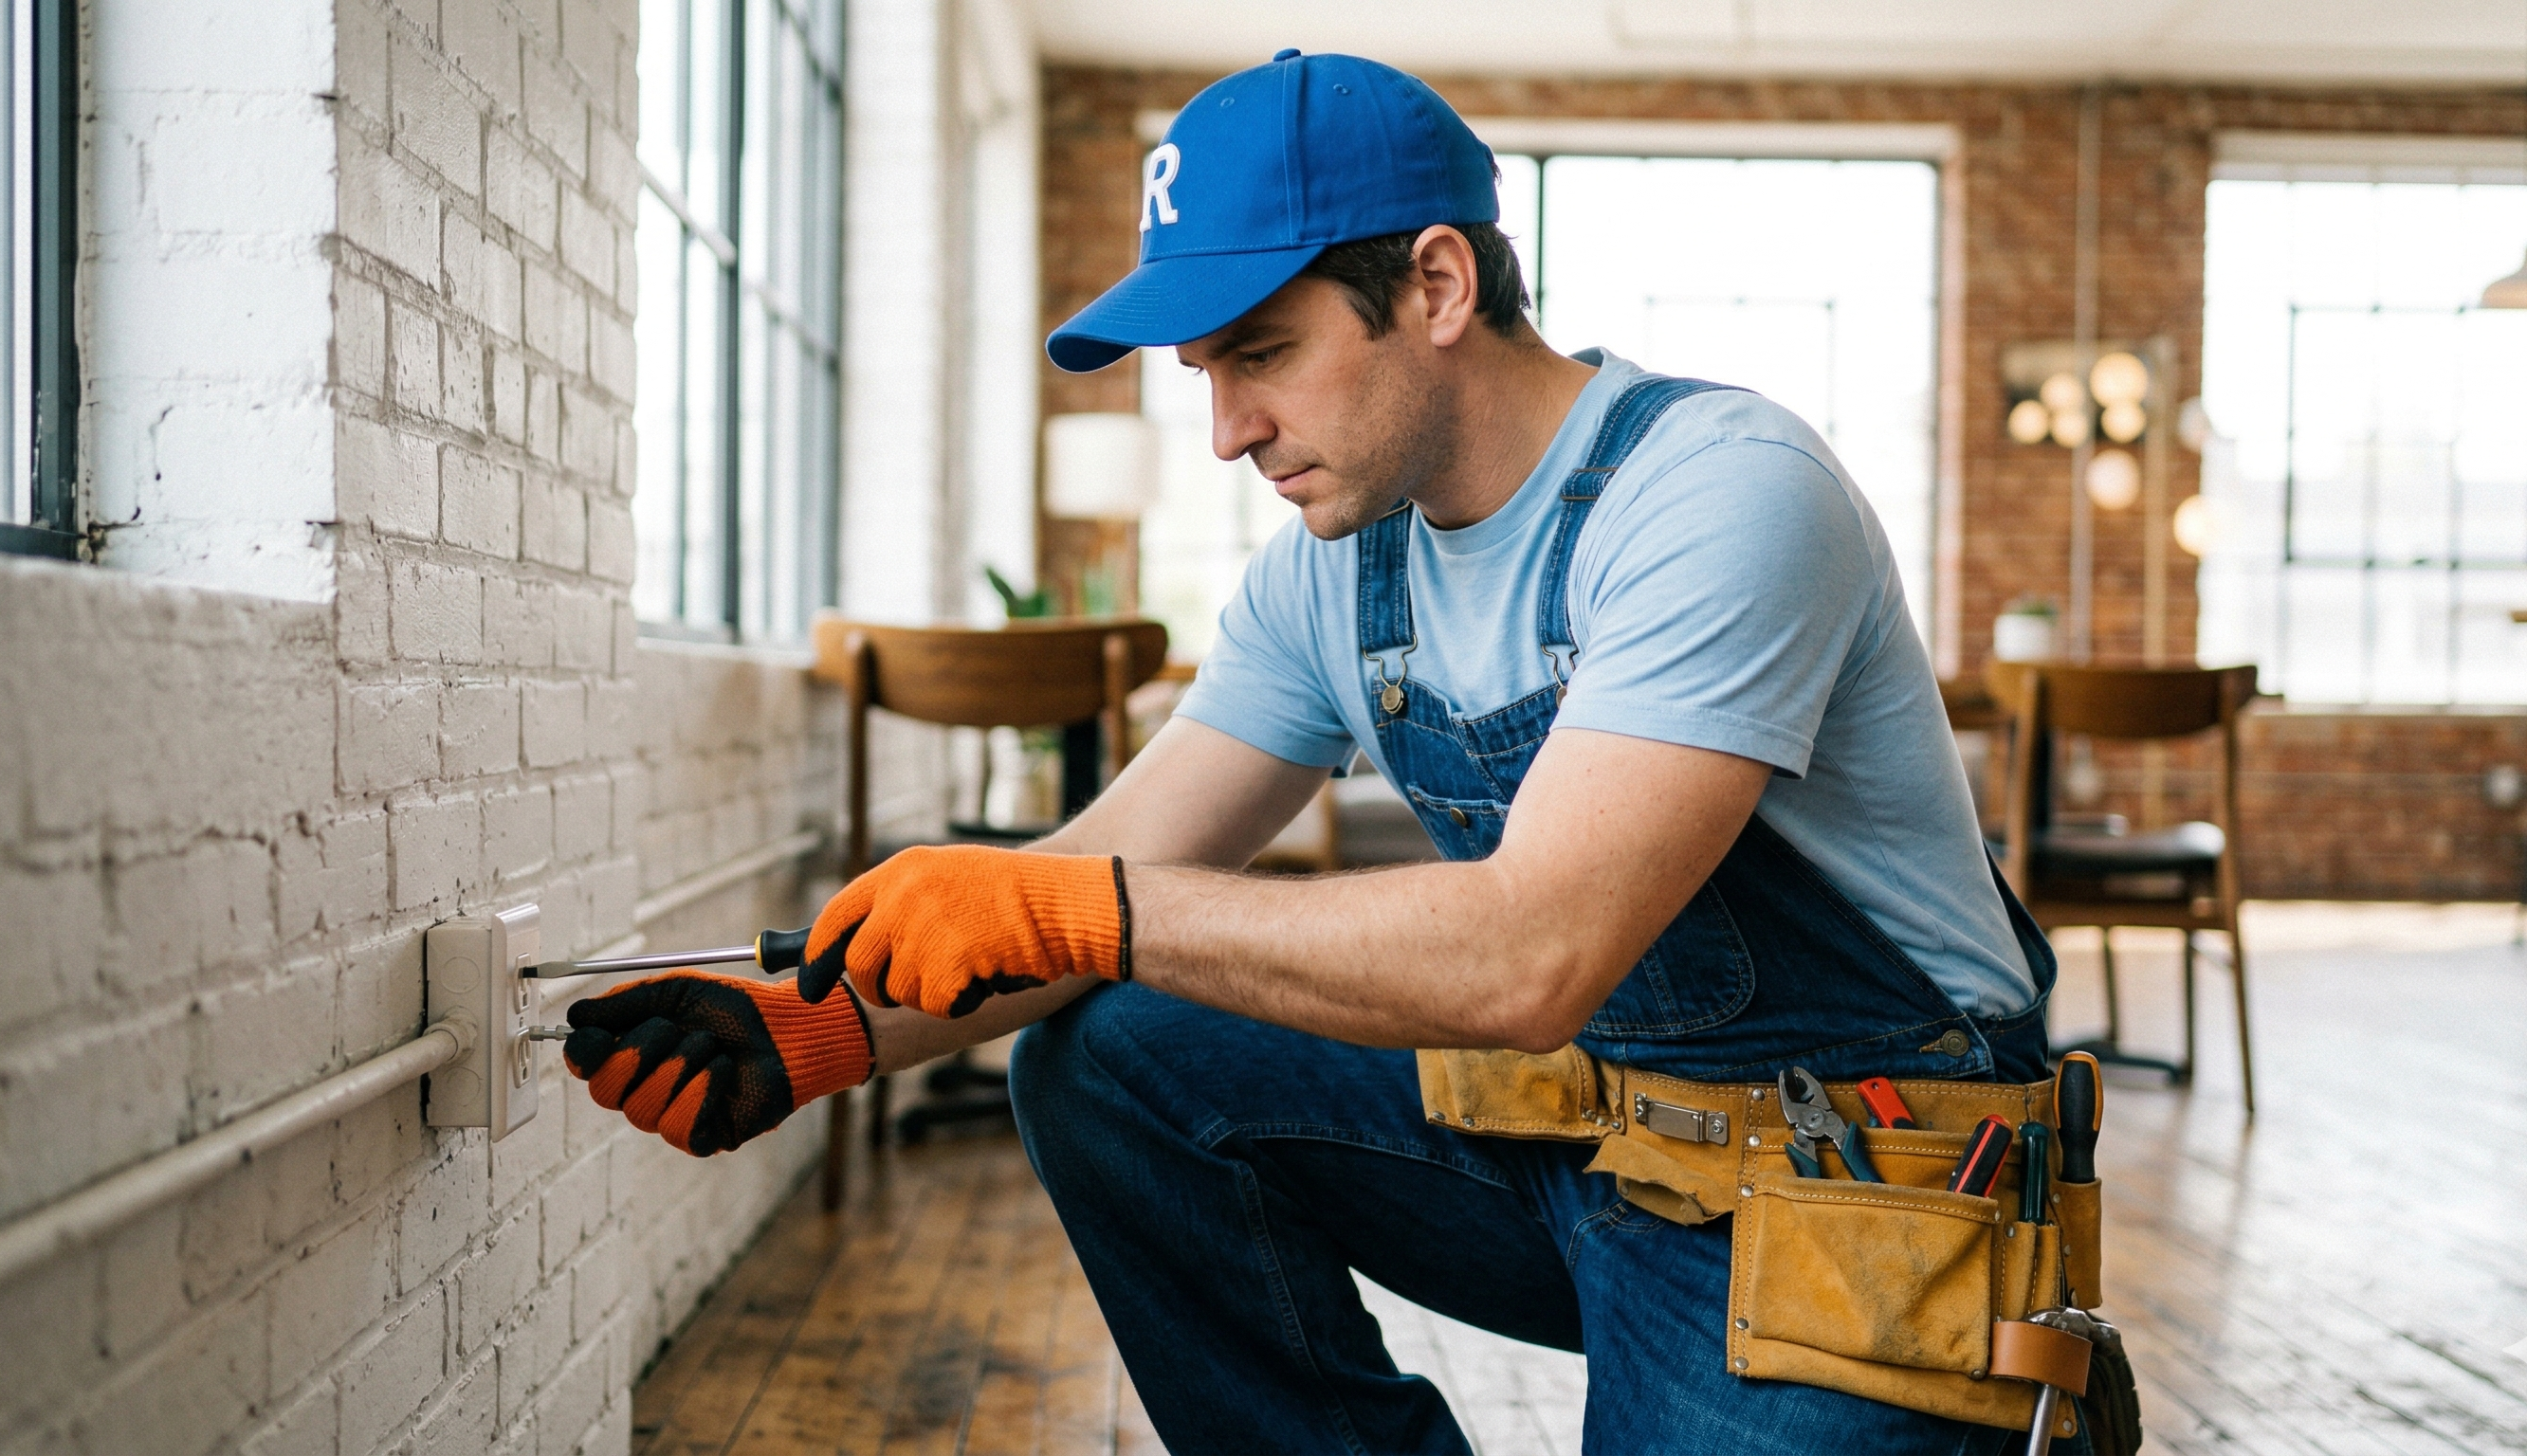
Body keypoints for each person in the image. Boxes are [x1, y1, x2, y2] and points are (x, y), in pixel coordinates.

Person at [564, 49, 2065, 1456]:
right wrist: (814, 1032)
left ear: (1434, 283)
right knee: (1113, 1058)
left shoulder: (1721, 496)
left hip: (1860, 1202)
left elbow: (1531, 956)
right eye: (1205, 374)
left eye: (1263, 354)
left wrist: (1084, 911)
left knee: (1123, 970)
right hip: (1599, 1151)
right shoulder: (1335, 569)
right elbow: (1104, 873)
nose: (1229, 431)